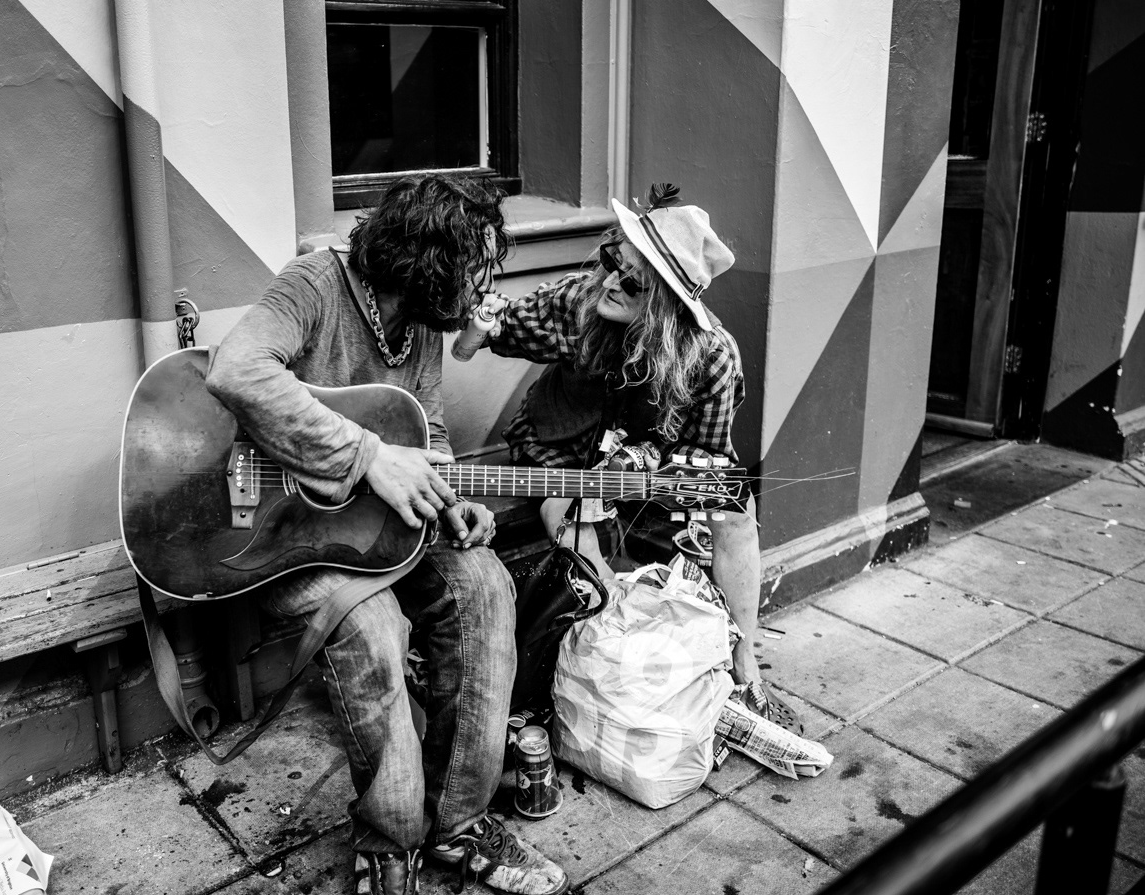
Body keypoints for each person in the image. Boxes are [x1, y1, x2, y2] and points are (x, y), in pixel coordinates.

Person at [205, 174, 568, 895]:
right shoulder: (314, 283)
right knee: (371, 629)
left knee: (487, 584)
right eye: (477, 270)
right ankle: (389, 840)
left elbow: (424, 432)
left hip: (384, 530)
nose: (485, 290)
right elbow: (235, 370)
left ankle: (459, 826)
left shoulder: (424, 328)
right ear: (433, 264)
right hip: (284, 532)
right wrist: (366, 457)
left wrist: (450, 495)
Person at [480, 186, 801, 733]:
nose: (609, 280)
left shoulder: (713, 360)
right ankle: (614, 655)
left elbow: (706, 458)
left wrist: (651, 459)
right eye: (613, 261)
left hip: (650, 469)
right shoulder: (579, 303)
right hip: (563, 451)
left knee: (737, 509)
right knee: (574, 521)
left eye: (632, 281)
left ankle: (745, 662)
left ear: (669, 305)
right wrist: (479, 320)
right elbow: (501, 325)